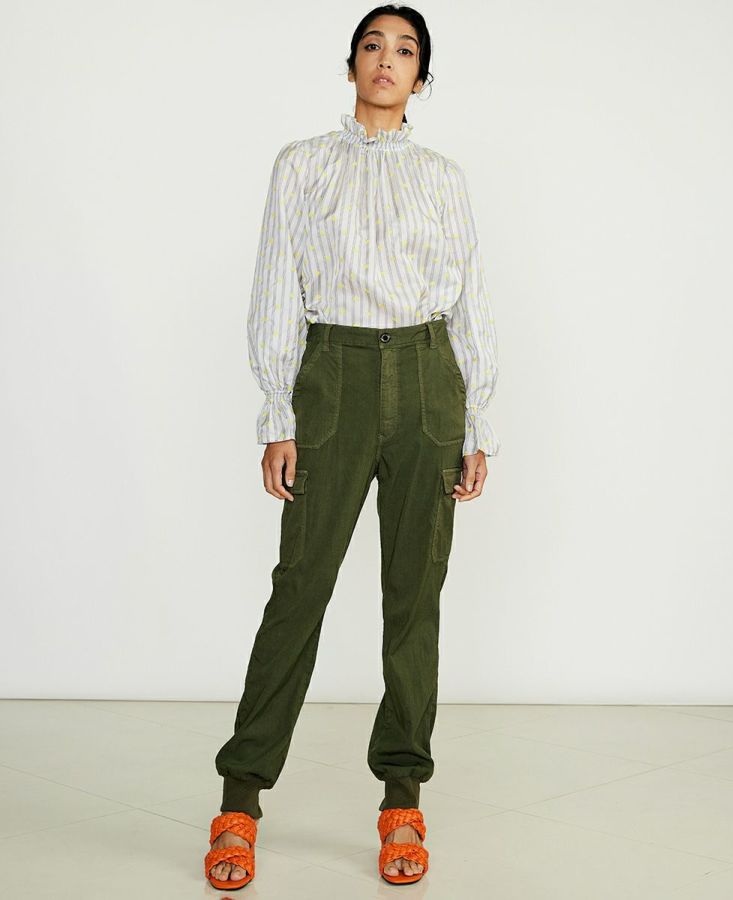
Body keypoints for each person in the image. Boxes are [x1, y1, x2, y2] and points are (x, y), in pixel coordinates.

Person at [204, 4, 500, 889]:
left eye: (405, 50)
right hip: (332, 378)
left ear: (421, 78)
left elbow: (470, 297)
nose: (387, 60)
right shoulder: (301, 165)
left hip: (428, 378)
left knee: (414, 599)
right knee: (300, 589)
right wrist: (278, 416)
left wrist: (478, 422)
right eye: (373, 45)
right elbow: (275, 284)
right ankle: (239, 800)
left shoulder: (444, 178)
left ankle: (402, 797)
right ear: (351, 65)